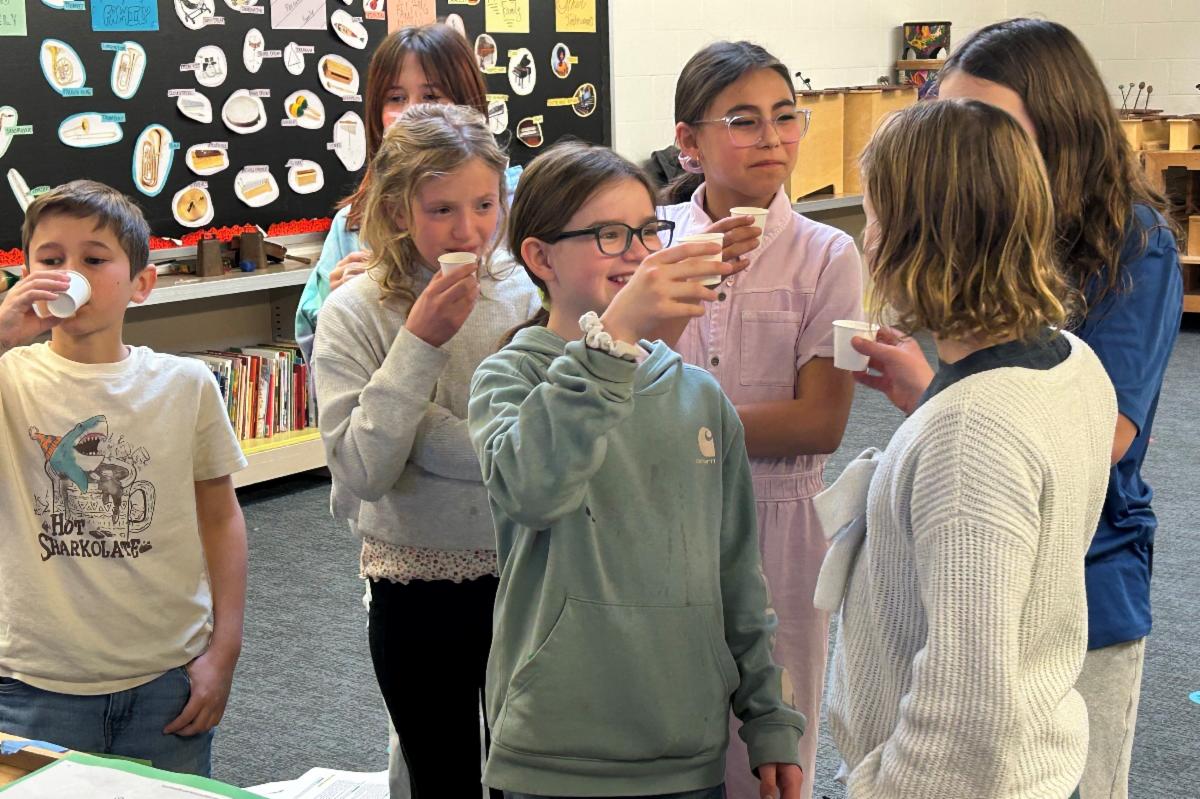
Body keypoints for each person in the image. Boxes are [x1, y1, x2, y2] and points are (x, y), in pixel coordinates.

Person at [852, 20, 1184, 799]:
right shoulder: (1031, 380)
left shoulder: (1132, 249)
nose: (963, 144)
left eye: (983, 130)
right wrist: (932, 399)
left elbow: (963, 718)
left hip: (1083, 586)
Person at [467, 140, 805, 799]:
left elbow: (738, 574)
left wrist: (770, 717)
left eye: (648, 229)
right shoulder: (511, 376)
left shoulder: (699, 397)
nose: (638, 251)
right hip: (555, 753)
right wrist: (612, 339)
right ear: (540, 257)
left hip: (683, 751)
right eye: (609, 234)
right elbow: (532, 489)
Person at [828, 99, 1116, 799]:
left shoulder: (970, 431)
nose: (866, 240)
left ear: (913, 237)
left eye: (872, 217)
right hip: (1035, 764)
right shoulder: (1074, 362)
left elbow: (965, 709)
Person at [313, 104, 538, 799]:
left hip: (529, 574)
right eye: (442, 208)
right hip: (414, 582)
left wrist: (431, 432)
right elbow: (364, 468)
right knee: (439, 774)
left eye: (484, 204)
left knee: (526, 770)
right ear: (398, 208)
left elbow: (542, 445)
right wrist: (418, 342)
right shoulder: (354, 311)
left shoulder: (528, 293)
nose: (468, 229)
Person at [661, 40, 862, 799]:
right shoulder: (655, 243)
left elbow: (819, 423)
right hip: (663, 508)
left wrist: (672, 424)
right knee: (670, 712)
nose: (774, 138)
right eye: (744, 120)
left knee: (776, 734)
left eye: (787, 117)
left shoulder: (826, 254)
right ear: (689, 142)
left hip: (780, 512)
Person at [0, 180, 247, 777]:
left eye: (93, 258)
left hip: (166, 678)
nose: (68, 275)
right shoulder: (10, 376)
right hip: (34, 684)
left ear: (141, 283)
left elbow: (220, 516)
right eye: (51, 259)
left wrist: (224, 652)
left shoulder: (184, 384)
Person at [296, 22, 496, 364]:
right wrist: (339, 305)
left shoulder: (515, 209)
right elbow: (319, 354)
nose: (412, 112)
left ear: (467, 105)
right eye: (396, 98)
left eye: (431, 96)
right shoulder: (354, 223)